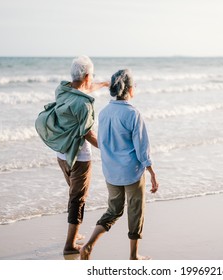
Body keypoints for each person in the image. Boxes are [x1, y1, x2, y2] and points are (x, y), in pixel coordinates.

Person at [80, 69, 159, 260]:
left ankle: (88, 245)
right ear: (130, 89)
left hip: (111, 172)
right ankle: (133, 256)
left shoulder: (104, 112)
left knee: (113, 211)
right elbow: (142, 149)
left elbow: (104, 142)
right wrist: (152, 172)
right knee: (135, 212)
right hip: (132, 172)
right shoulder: (133, 114)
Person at [35, 55, 108, 255]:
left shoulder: (62, 90)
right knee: (78, 199)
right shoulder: (84, 105)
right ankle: (69, 245)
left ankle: (74, 234)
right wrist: (108, 147)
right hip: (80, 158)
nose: (92, 79)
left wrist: (102, 84)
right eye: (91, 76)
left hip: (62, 155)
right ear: (86, 76)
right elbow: (88, 133)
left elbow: (82, 90)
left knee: (74, 195)